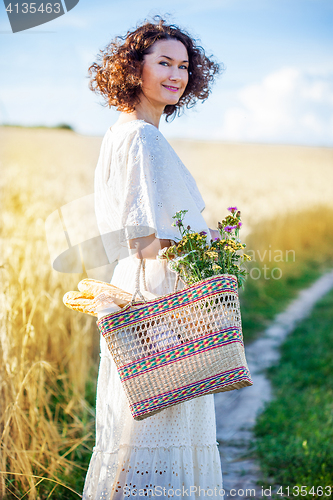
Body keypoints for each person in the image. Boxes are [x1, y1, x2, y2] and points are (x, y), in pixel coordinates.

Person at [83, 16, 223, 499]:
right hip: (156, 292)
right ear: (132, 68)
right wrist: (208, 248)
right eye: (163, 62)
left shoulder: (119, 132)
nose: (176, 75)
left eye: (184, 66)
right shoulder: (144, 138)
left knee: (132, 433)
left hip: (133, 287)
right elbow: (146, 242)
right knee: (160, 427)